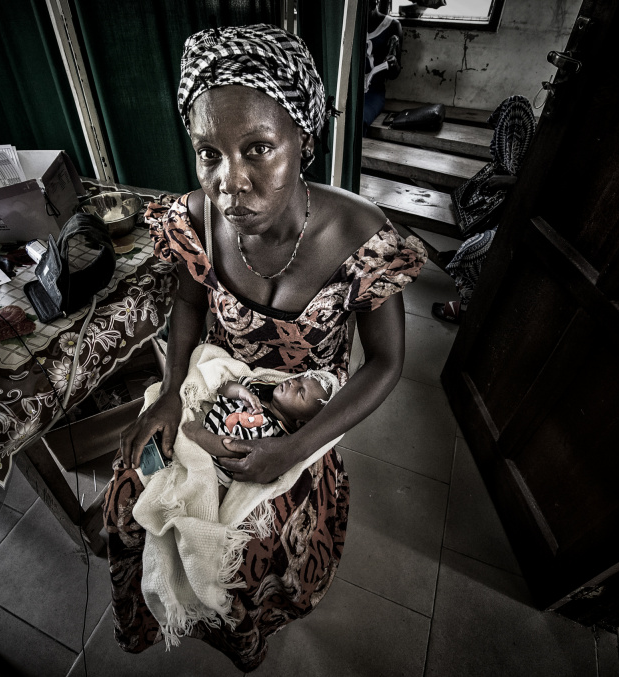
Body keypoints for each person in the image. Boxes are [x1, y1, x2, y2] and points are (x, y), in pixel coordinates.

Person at [105, 24, 425, 672]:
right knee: (129, 501)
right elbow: (190, 302)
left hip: (303, 424)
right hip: (215, 395)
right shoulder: (196, 218)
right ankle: (169, 611)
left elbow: (388, 363)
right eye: (208, 153)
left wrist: (295, 449)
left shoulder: (363, 235)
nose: (230, 182)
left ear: (302, 140)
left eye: (257, 148)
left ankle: (244, 636)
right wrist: (170, 393)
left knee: (258, 542)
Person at [433, 95, 537, 323]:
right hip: (511, 218)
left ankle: (470, 309)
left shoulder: (531, 165)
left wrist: (514, 182)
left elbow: (536, 198)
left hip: (529, 226)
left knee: (471, 252)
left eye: (504, 131)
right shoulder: (516, 158)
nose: (497, 142)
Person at [200, 371, 340, 497]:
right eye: (298, 379)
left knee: (209, 497)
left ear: (300, 423)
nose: (293, 382)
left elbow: (231, 450)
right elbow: (221, 386)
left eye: (300, 392)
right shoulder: (258, 389)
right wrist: (240, 391)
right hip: (204, 422)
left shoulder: (272, 434)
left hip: (214, 467)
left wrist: (197, 433)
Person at [363, 0, 403, 127]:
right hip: (350, 89)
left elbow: (394, 74)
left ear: (374, 3)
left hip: (373, 91)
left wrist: (393, 63)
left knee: (360, 119)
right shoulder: (352, 24)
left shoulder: (392, 26)